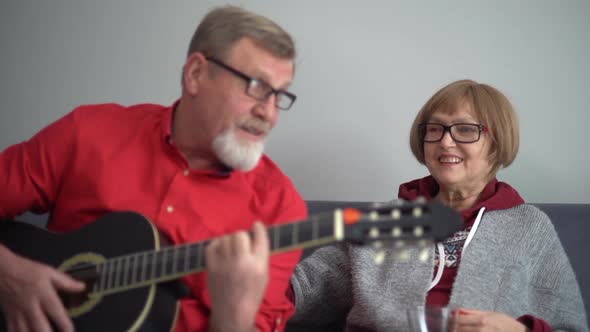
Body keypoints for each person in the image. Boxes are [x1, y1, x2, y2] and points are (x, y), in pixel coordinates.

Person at [0, 5, 307, 332]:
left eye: (279, 96)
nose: (269, 114)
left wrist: (234, 316)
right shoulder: (89, 132)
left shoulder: (279, 210)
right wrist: (10, 275)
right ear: (196, 74)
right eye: (257, 87)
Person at [289, 79, 588, 331]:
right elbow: (308, 287)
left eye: (466, 130)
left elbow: (570, 325)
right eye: (435, 129)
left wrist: (522, 330)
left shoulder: (528, 226)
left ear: (496, 144)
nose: (445, 142)